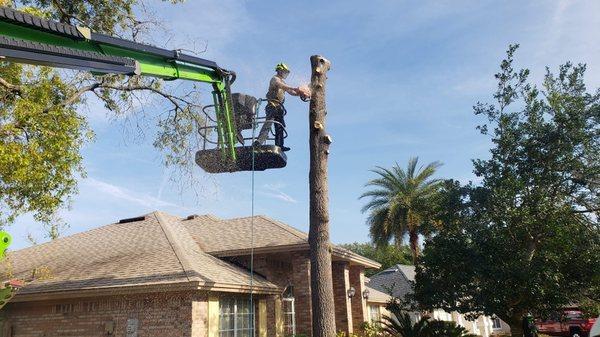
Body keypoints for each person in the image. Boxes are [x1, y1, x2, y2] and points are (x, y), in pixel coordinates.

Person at [254, 63, 309, 151]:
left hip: (279, 107)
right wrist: (295, 88)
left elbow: (291, 92)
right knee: (268, 123)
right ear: (279, 71)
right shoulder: (275, 79)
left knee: (280, 127)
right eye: (284, 72)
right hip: (272, 105)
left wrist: (300, 93)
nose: (285, 74)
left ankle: (280, 145)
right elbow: (281, 85)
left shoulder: (283, 82)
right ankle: (259, 142)